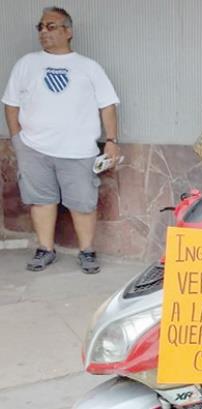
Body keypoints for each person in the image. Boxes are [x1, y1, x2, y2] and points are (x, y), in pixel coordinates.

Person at [2, 7, 121, 274]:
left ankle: (87, 251)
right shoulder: (26, 64)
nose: (44, 31)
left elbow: (108, 106)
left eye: (51, 26)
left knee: (82, 202)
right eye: (40, 27)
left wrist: (111, 140)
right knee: (41, 200)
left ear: (68, 31)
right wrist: (17, 140)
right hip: (33, 147)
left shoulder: (88, 67)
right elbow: (11, 104)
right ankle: (45, 249)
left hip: (78, 149)